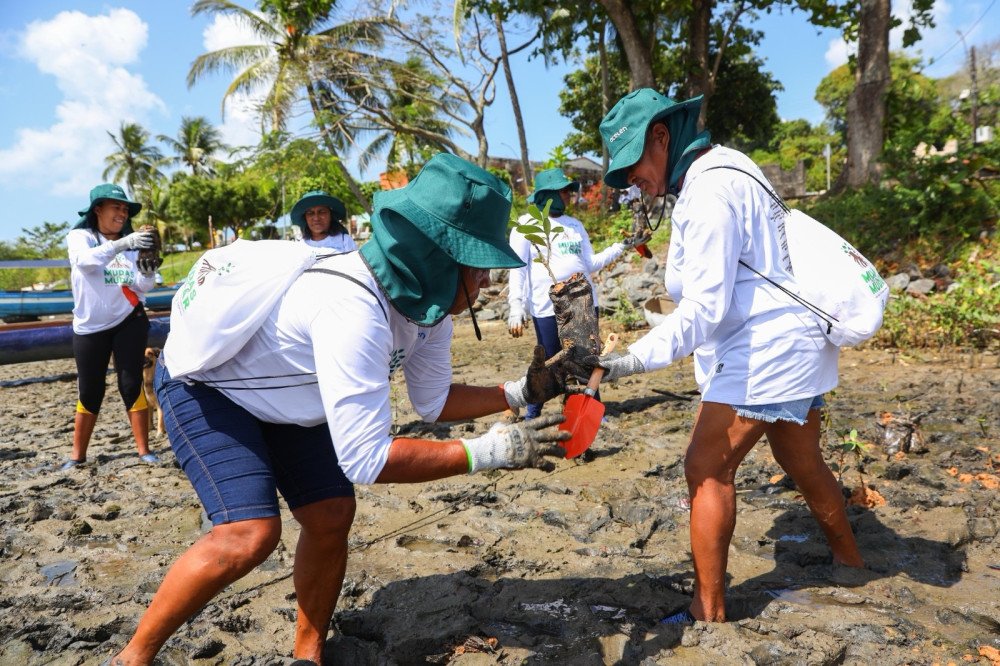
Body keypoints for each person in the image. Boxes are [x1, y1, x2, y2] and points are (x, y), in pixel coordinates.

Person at [108, 153, 574, 665]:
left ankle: (308, 656)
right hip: (209, 386)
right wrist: (492, 451)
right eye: (479, 267)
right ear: (440, 258)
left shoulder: (429, 308)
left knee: (331, 513)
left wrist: (521, 392)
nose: (485, 282)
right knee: (249, 534)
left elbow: (435, 400)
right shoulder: (353, 308)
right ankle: (133, 657)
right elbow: (366, 459)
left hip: (290, 401)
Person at [588, 89, 866, 624]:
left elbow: (704, 311)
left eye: (632, 167)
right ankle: (850, 563)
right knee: (801, 460)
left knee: (706, 467)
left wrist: (628, 361)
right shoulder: (729, 165)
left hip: (764, 349)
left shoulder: (708, 194)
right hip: (796, 341)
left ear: (662, 137)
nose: (631, 181)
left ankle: (707, 612)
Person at [506, 168, 626, 418]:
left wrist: (619, 247)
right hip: (546, 307)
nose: (569, 196)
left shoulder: (574, 225)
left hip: (583, 304)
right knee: (549, 361)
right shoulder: (525, 226)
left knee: (587, 359)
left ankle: (591, 412)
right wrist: (516, 306)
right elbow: (518, 269)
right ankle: (533, 412)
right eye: (563, 192)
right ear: (547, 194)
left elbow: (589, 263)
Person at [63, 183, 160, 470]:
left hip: (129, 319)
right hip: (90, 327)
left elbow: (142, 287)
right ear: (97, 209)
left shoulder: (133, 244)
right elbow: (85, 263)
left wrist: (148, 271)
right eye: (116, 207)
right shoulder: (80, 237)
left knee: (131, 384)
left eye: (125, 209)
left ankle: (144, 451)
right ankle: (77, 456)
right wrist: (122, 244)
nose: (122, 213)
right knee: (90, 390)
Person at [291, 189, 358, 252]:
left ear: (330, 215)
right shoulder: (299, 247)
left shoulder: (345, 241)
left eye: (322, 212)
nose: (316, 218)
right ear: (305, 218)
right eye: (310, 213)